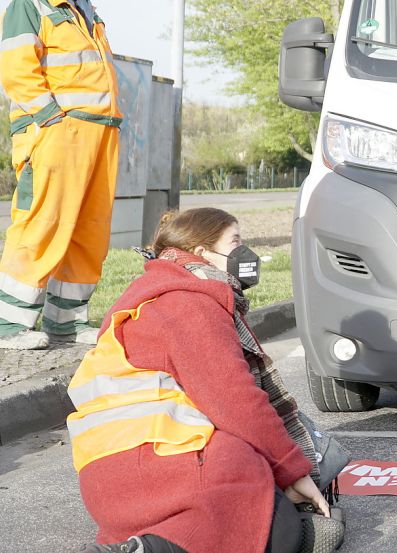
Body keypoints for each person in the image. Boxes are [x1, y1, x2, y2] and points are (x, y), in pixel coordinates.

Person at [69, 208, 344, 553]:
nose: (246, 254)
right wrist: (292, 469)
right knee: (279, 526)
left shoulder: (152, 291)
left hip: (120, 477)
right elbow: (234, 401)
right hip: (155, 467)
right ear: (201, 254)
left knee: (266, 510)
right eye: (236, 242)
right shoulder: (187, 302)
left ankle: (140, 545)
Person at [0, 0, 123, 350]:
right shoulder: (30, 4)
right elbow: (16, 69)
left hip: (101, 130)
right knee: (43, 223)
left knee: (89, 230)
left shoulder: (85, 10)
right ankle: (10, 324)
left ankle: (67, 321)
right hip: (57, 130)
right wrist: (49, 116)